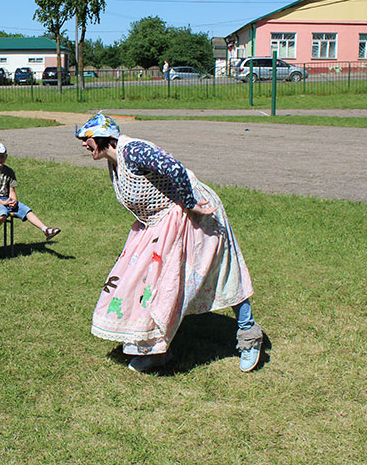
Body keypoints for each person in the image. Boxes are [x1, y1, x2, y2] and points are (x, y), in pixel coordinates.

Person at [75, 112, 265, 373]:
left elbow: (174, 168)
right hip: (160, 224)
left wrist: (190, 203)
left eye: (86, 139)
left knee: (222, 272)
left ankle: (249, 336)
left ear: (102, 138)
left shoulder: (135, 151)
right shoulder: (114, 160)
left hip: (197, 214)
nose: (84, 145)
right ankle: (155, 351)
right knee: (146, 282)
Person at [0, 142, 61, 246]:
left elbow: (12, 190)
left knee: (26, 210)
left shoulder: (9, 171)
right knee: (2, 213)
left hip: (6, 198)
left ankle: (45, 229)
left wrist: (13, 200)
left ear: (6, 156)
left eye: (2, 156)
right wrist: (3, 202)